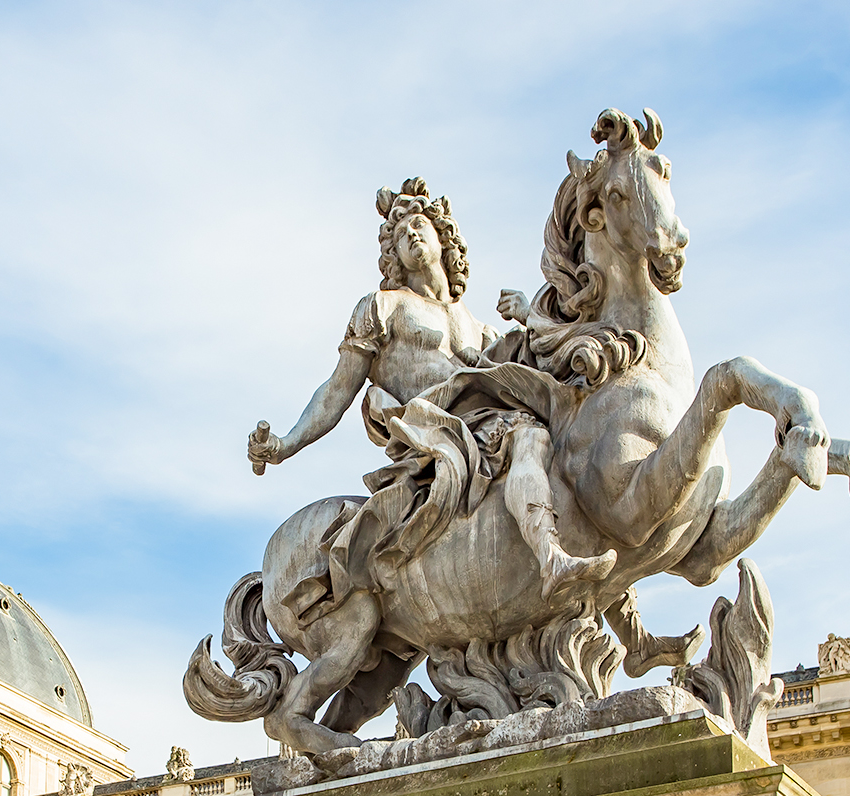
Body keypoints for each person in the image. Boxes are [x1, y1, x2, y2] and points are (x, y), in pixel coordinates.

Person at [248, 178, 615, 609]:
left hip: (488, 413)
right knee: (529, 436)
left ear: (444, 238)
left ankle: (631, 626)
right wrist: (285, 444)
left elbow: (531, 363)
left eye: (419, 225)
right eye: (401, 235)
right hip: (435, 428)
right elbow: (336, 389)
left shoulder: (478, 326)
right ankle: (551, 560)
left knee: (581, 448)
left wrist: (531, 316)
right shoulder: (383, 307)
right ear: (394, 256)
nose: (412, 235)